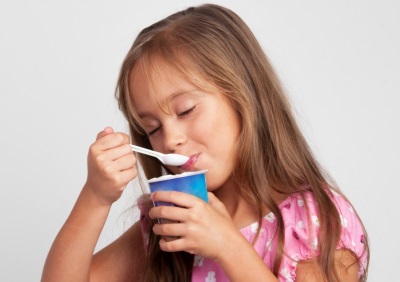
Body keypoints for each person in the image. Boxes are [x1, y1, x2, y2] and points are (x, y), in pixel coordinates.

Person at [42, 3, 369, 281]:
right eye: (152, 128)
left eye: (186, 110)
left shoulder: (312, 221)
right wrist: (96, 197)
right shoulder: (169, 221)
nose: (170, 140)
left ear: (243, 96)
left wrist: (227, 246)